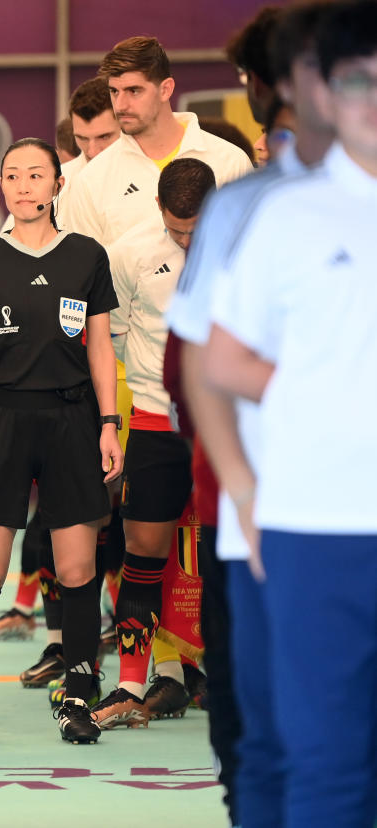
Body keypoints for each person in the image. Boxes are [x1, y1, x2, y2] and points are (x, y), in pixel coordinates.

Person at [204, 6, 377, 824]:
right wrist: (242, 483)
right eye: (355, 82)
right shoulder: (275, 213)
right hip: (315, 523)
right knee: (318, 759)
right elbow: (216, 363)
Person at [175, 3, 341, 823]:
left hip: (345, 515)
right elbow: (201, 369)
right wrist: (241, 482)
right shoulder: (244, 213)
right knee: (270, 738)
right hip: (260, 521)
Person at [0, 137, 122, 746]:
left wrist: (108, 422)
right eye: (12, 176)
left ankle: (77, 696)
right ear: (1, 187)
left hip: (73, 422)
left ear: (56, 185)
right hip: (1, 423)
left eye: (35, 175)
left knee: (77, 570)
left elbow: (100, 346)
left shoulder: (86, 257)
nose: (23, 186)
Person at [89, 158, 215, 728]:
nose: (186, 241)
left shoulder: (248, 249)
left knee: (233, 556)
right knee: (142, 551)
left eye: (197, 229)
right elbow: (112, 336)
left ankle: (236, 679)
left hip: (227, 429)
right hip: (158, 424)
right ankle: (130, 685)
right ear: (158, 211)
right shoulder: (132, 253)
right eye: (176, 229)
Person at [0, 76, 124, 645]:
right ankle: (55, 638)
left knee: (123, 523)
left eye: (105, 138)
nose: (94, 151)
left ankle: (139, 645)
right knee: (54, 519)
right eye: (83, 140)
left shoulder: (134, 189)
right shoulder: (20, 226)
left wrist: (108, 417)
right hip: (55, 394)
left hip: (124, 381)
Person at [61, 36, 253, 246]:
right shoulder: (91, 179)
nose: (121, 105)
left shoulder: (229, 161)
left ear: (166, 89)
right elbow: (86, 274)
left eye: (134, 91)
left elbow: (251, 252)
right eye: (114, 91)